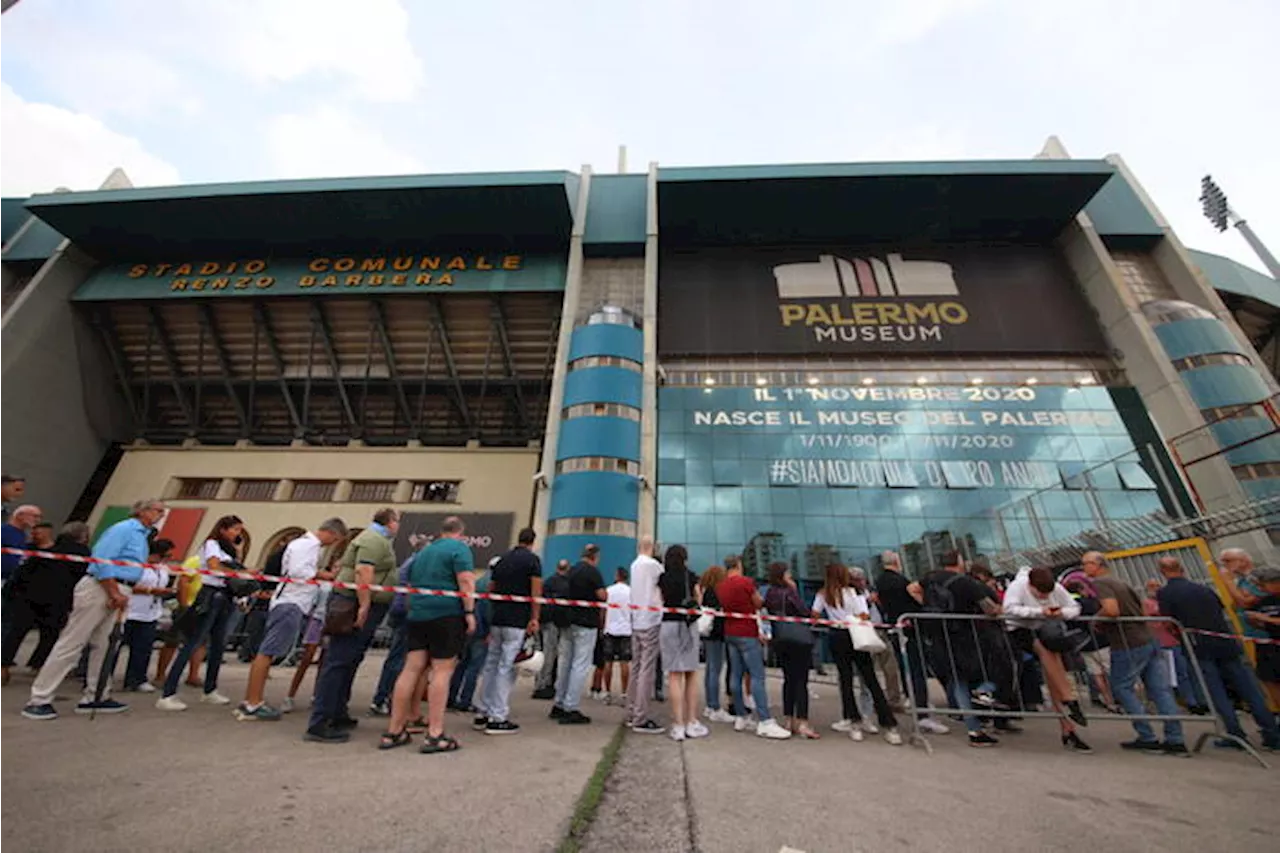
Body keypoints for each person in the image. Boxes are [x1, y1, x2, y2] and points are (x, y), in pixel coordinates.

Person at [22, 498, 166, 720]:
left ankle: (96, 694)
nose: (161, 514)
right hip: (102, 587)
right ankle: (39, 698)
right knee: (73, 642)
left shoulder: (143, 535)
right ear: (143, 511)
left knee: (106, 644)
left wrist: (121, 591)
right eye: (158, 510)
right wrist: (112, 590)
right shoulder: (124, 529)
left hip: (119, 588)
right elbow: (102, 558)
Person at [1156, 557, 1279, 751]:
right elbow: (1220, 608)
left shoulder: (1166, 593)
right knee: (1248, 687)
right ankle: (1271, 732)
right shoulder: (1203, 589)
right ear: (1183, 568)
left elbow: (1169, 622)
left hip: (1199, 645)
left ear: (1162, 571)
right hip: (1225, 641)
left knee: (1216, 691)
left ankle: (1234, 733)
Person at [235, 518, 346, 722]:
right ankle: (252, 702)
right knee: (267, 652)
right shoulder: (309, 546)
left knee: (268, 651)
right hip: (291, 601)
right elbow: (298, 572)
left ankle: (253, 699)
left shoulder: (302, 544)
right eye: (336, 539)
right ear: (331, 533)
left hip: (288, 601)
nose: (333, 543)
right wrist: (321, 574)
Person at [306, 508, 401, 743]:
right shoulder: (373, 540)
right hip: (352, 604)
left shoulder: (376, 539)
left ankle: (338, 712)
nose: (398, 525)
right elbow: (363, 570)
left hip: (356, 602)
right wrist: (364, 605)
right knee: (339, 661)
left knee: (349, 659)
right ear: (390, 522)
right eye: (397, 521)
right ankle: (320, 721)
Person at [384, 516, 476, 753]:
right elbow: (466, 581)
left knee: (411, 669)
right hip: (446, 614)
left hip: (418, 614)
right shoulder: (459, 549)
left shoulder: (424, 552)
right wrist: (469, 612)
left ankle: (394, 730)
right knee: (442, 671)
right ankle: (435, 733)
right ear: (461, 532)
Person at [1080, 551, 1187, 756]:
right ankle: (1175, 738)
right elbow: (1141, 609)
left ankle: (1147, 735)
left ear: (1097, 565)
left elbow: (1111, 610)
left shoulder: (1102, 583)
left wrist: (1096, 619)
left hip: (1127, 642)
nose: (1084, 568)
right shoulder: (1121, 581)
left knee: (1121, 687)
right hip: (1148, 637)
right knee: (1160, 690)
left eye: (1086, 564)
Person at [912, 550, 1008, 747]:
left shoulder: (930, 578)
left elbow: (912, 588)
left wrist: (929, 608)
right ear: (959, 562)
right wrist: (999, 611)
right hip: (964, 635)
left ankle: (974, 729)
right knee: (991, 669)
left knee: (958, 680)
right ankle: (983, 693)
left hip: (939, 634)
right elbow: (989, 609)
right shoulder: (965, 582)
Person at [156, 515, 245, 710]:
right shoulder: (212, 544)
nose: (238, 534)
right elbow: (213, 566)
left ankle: (210, 689)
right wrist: (236, 572)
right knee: (192, 643)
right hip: (211, 595)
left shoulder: (229, 550)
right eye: (235, 529)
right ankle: (168, 693)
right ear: (223, 529)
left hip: (225, 595)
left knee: (218, 644)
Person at [1001, 566, 1092, 753]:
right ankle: (1069, 699)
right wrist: (1040, 611)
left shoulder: (1056, 588)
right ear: (1030, 584)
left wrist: (1060, 613)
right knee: (1049, 655)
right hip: (1020, 630)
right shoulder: (1018, 586)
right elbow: (1009, 609)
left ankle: (1067, 726)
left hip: (1045, 629)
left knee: (1053, 669)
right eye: (1039, 593)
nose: (1043, 596)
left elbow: (1074, 607)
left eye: (1046, 593)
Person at [814, 563, 901, 744]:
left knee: (845, 679)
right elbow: (864, 615)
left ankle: (854, 722)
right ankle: (889, 724)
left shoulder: (824, 594)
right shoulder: (854, 592)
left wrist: (831, 619)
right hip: (856, 634)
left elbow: (814, 614)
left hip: (837, 635)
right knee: (870, 678)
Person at [1, 520, 88, 684]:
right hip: (42, 599)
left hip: (41, 598)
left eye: (39, 531)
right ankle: (20, 664)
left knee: (33, 634)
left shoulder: (52, 551)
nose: (35, 534)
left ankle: (22, 665)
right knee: (32, 634)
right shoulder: (32, 551)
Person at [874, 550, 948, 735]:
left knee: (906, 667)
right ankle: (922, 714)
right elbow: (914, 600)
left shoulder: (880, 581)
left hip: (896, 628)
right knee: (917, 670)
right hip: (910, 630)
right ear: (897, 561)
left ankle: (915, 701)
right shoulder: (900, 581)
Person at [477, 528, 542, 735]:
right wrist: (534, 617)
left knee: (491, 665)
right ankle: (498, 717)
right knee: (507, 667)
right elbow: (536, 591)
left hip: (498, 619)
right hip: (516, 621)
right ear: (532, 541)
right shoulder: (533, 561)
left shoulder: (502, 560)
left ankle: (482, 710)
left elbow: (491, 588)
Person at [718, 557, 791, 740]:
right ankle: (765, 720)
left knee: (735, 674)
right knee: (757, 675)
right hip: (747, 631)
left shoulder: (721, 586)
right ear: (739, 566)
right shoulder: (746, 582)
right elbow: (758, 602)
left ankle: (741, 716)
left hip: (730, 631)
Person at [370, 533, 428, 716]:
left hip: (399, 609)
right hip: (406, 613)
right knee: (399, 658)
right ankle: (384, 698)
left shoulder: (409, 561)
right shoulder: (418, 564)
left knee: (398, 656)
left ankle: (385, 697)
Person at [550, 544, 606, 726]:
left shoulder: (571, 571)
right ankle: (571, 707)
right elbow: (602, 595)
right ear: (595, 556)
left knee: (565, 663)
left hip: (568, 621)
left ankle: (558, 703)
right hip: (586, 623)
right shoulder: (593, 572)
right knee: (580, 665)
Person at [763, 562, 820, 740]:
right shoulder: (789, 592)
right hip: (798, 639)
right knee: (801, 681)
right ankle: (802, 722)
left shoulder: (770, 593)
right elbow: (803, 612)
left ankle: (788, 719)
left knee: (788, 679)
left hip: (781, 639)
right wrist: (794, 590)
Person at [657, 545, 706, 741]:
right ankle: (691, 721)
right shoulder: (691, 576)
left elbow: (660, 599)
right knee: (691, 672)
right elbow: (698, 598)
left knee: (674, 675)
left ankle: (677, 725)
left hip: (668, 624)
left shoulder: (662, 578)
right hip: (687, 625)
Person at [120, 538, 175, 693]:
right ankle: (104, 678)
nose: (169, 559)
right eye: (168, 555)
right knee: (118, 646)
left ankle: (137, 679)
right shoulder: (138, 565)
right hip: (131, 610)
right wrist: (151, 590)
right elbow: (128, 584)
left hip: (150, 613)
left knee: (143, 648)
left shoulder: (163, 568)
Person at [1144, 578, 1208, 713]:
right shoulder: (1146, 603)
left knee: (1184, 672)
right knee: (1166, 676)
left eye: (1157, 585)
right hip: (1161, 643)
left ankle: (1194, 701)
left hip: (1176, 641)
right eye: (1152, 586)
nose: (1155, 589)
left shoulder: (1165, 600)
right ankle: (1172, 704)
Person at [239, 531, 300, 662]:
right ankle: (254, 655)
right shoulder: (283, 558)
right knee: (261, 631)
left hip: (269, 594)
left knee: (259, 630)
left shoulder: (276, 556)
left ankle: (251, 653)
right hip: (271, 595)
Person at [625, 537, 665, 733]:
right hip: (651, 619)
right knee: (647, 670)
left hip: (636, 619)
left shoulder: (634, 565)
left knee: (637, 667)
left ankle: (632, 712)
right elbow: (663, 586)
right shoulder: (654, 565)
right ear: (652, 548)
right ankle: (641, 717)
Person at [1064, 579, 1117, 712]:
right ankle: (1117, 699)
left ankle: (1108, 701)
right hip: (1101, 641)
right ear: (1081, 590)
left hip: (1083, 645)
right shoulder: (1089, 603)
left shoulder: (1068, 607)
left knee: (1096, 674)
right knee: (1110, 671)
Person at [448, 560, 491, 713]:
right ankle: (466, 700)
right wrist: (489, 631)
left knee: (461, 664)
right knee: (474, 667)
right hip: (481, 630)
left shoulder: (478, 582)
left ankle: (451, 697)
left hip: (468, 628)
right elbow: (488, 611)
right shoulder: (491, 585)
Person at [533, 558, 571, 700]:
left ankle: (540, 682)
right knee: (551, 655)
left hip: (544, 620)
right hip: (555, 623)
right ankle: (545, 685)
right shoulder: (567, 584)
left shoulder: (548, 581)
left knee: (542, 653)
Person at [1245, 566, 1280, 717]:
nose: (1260, 589)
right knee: (1269, 679)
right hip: (1271, 646)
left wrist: (1263, 618)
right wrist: (1255, 621)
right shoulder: (1264, 601)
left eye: (1262, 585)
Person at [699, 565, 732, 724]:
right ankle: (714, 706)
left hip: (708, 633)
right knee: (715, 670)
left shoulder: (706, 592)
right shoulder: (718, 592)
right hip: (718, 634)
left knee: (710, 669)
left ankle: (709, 705)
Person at [1220, 548, 1267, 650]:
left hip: (1267, 632)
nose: (1225, 565)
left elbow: (1245, 603)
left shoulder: (1258, 577)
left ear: (1242, 561)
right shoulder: (1241, 580)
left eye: (1228, 560)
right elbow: (1236, 604)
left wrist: (1228, 582)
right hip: (1254, 632)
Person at [597, 567, 632, 705]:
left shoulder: (609, 590)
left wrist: (602, 624)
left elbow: (603, 610)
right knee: (625, 662)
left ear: (617, 576)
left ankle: (608, 692)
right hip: (626, 629)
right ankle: (624, 693)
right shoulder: (631, 592)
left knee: (608, 661)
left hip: (610, 628)